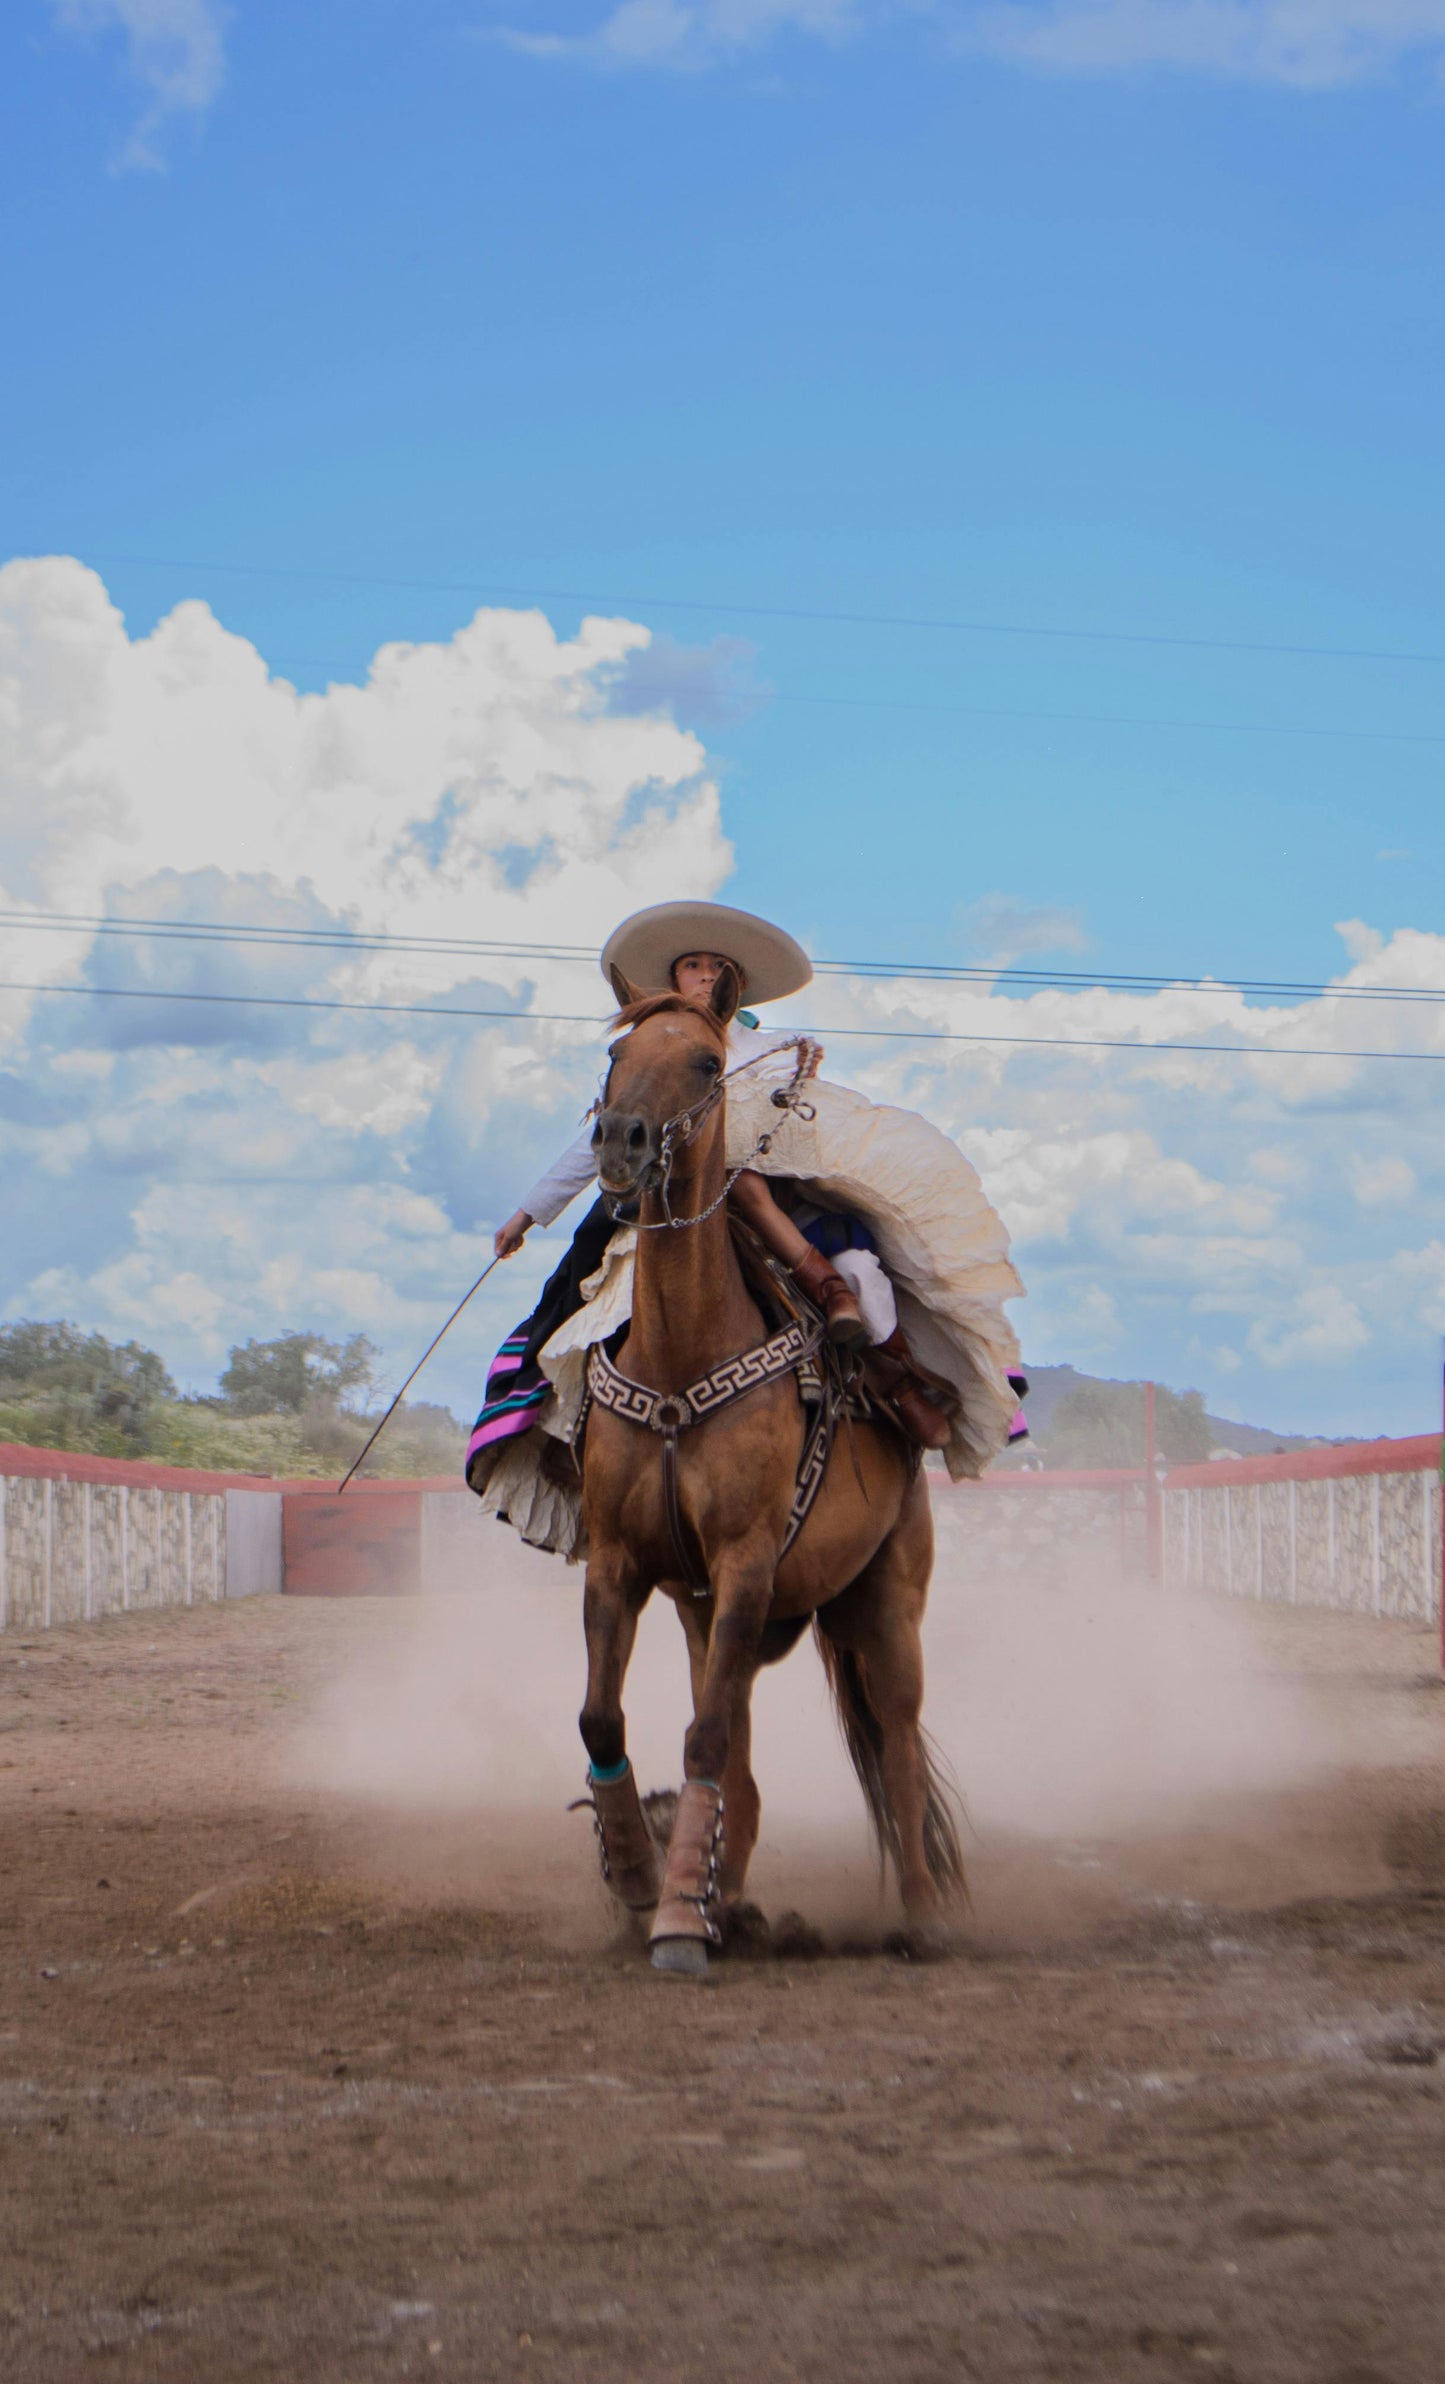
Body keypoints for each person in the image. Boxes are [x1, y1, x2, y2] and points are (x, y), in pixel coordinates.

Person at [467, 900, 1026, 1557]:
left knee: (866, 1274)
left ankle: (897, 1379)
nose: (704, 976)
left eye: (716, 968)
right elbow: (598, 1142)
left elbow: (801, 1126)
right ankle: (567, 1431)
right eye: (692, 965)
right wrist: (528, 1214)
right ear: (672, 980)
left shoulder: (769, 1049)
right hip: (667, 1208)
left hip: (772, 1201)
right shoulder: (653, 1049)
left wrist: (798, 1083)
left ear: (734, 984)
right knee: (585, 1305)